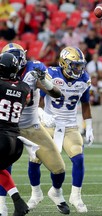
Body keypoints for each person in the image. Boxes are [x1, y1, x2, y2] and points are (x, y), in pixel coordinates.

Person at [1, 43, 69, 215]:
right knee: (2, 164)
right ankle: (2, 203)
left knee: (59, 167)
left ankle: (56, 193)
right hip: (8, 127)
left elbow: (56, 93)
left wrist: (44, 80)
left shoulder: (33, 71)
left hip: (31, 127)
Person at [39, 46, 94, 213]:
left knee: (78, 158)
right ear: (64, 63)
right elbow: (39, 99)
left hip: (70, 126)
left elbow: (85, 104)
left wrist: (89, 126)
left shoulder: (84, 79)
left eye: (80, 65)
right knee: (36, 160)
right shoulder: (51, 74)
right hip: (49, 124)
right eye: (75, 65)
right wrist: (41, 114)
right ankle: (37, 193)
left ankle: (75, 196)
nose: (79, 69)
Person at [0, 52, 31, 216]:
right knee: (1, 170)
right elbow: (28, 100)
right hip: (17, 142)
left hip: (2, 139)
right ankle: (18, 203)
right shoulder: (25, 87)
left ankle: (17, 202)